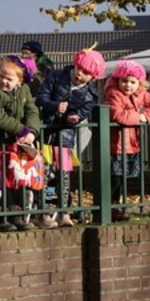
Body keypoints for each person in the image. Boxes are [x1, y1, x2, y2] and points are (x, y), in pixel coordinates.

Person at [36, 47, 106, 227]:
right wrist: (54, 106)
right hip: (47, 132)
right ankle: (44, 210)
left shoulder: (90, 95)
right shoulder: (56, 77)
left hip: (65, 136)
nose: (79, 74)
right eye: (78, 68)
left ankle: (63, 210)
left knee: (63, 174)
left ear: (93, 77)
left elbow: (82, 112)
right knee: (46, 173)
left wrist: (74, 118)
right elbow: (41, 97)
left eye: (85, 73)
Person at [0, 55, 41, 232]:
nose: (3, 81)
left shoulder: (24, 91)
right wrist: (21, 129)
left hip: (12, 143)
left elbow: (32, 111)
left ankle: (15, 212)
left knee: (15, 177)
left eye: (9, 79)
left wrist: (32, 131)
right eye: (1, 76)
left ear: (20, 81)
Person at [103, 60, 150, 221]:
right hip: (115, 144)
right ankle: (109, 208)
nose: (128, 85)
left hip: (131, 143)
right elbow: (118, 115)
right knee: (114, 178)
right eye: (124, 81)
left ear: (139, 83)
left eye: (132, 82)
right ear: (118, 80)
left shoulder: (140, 93)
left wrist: (146, 117)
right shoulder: (114, 94)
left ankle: (116, 208)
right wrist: (139, 117)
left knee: (122, 178)